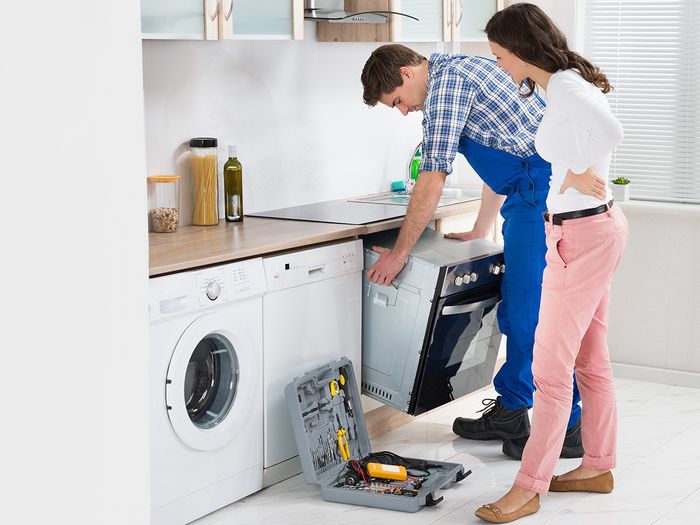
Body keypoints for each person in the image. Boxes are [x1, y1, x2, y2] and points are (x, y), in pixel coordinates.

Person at [361, 45, 603, 459]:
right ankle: (513, 408)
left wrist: (399, 254)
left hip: (538, 199)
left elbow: (433, 175)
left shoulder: (445, 88)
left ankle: (566, 425)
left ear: (405, 73)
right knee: (527, 312)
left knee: (530, 317)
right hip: (531, 193)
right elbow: (506, 152)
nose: (403, 111)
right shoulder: (460, 67)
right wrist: (479, 226)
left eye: (398, 101)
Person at [472, 4, 629, 523]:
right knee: (589, 361)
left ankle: (529, 487)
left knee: (550, 370)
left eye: (498, 55)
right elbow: (585, 141)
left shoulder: (563, 85)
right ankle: (597, 466)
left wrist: (574, 174)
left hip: (580, 236)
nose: (498, 65)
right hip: (590, 228)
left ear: (519, 49)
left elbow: (610, 131)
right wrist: (571, 173)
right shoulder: (560, 83)